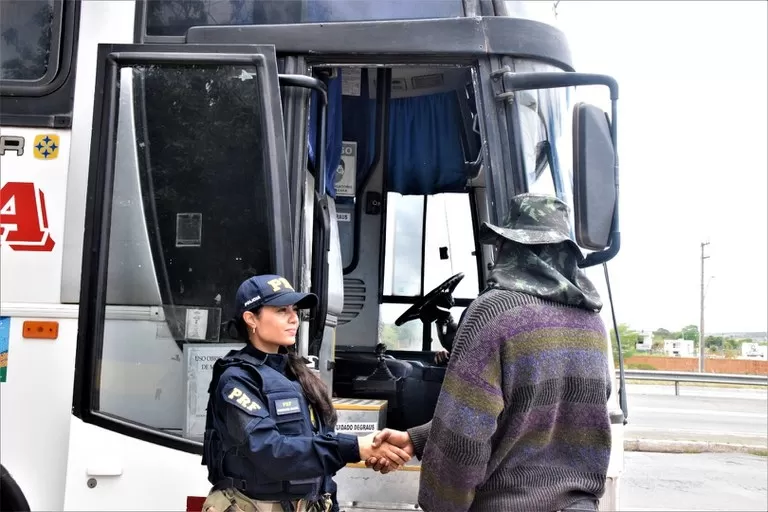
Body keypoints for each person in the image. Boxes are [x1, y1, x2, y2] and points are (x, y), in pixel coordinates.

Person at [367, 194, 613, 512]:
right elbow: (540, 415)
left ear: (508, 247)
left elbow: (464, 436)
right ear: (564, 254)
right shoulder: (592, 323)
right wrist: (419, 439)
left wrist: (440, 506)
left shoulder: (494, 312)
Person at [201, 274, 411, 512]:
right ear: (251, 319)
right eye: (281, 310)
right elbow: (271, 452)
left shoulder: (297, 374)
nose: (293, 319)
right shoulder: (237, 380)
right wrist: (355, 447)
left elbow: (316, 460)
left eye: (294, 310)